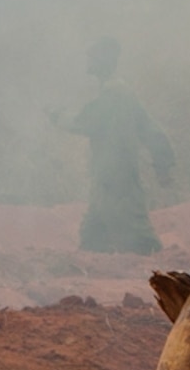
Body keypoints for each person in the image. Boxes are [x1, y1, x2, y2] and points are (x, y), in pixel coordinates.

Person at [66, 38, 176, 254]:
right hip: (106, 178)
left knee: (142, 240)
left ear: (104, 61)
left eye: (92, 56)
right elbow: (151, 130)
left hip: (118, 179)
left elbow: (84, 122)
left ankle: (164, 275)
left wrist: (56, 115)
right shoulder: (118, 93)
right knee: (92, 237)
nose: (88, 61)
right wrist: (163, 164)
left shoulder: (115, 95)